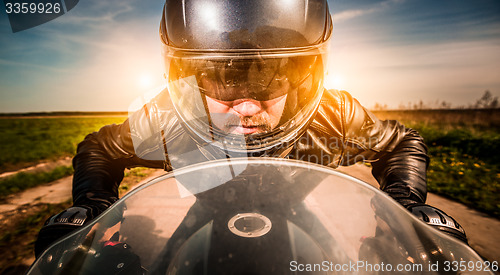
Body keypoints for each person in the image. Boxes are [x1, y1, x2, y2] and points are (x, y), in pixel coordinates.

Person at [35, 0, 466, 258]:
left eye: (270, 79)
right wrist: (93, 210)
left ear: (306, 75)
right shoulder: (167, 117)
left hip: (295, 210)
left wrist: (405, 211)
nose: (244, 105)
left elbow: (401, 143)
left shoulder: (334, 113)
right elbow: (99, 149)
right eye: (219, 80)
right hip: (206, 212)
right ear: (184, 78)